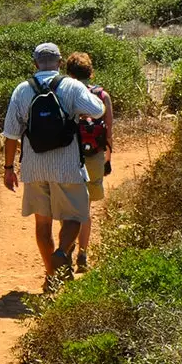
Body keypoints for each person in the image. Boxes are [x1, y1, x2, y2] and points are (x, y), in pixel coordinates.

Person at [2, 42, 105, 291]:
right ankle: (61, 252)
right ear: (59, 63)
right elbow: (98, 110)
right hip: (67, 165)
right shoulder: (71, 85)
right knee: (76, 216)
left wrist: (8, 168)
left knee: (42, 224)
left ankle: (51, 276)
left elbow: (11, 135)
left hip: (34, 167)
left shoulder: (22, 90)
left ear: (35, 63)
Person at [63, 52, 113, 273]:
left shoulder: (64, 94)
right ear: (90, 71)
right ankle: (83, 255)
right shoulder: (102, 95)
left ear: (69, 72)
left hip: (68, 157)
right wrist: (108, 158)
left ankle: (66, 251)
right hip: (93, 156)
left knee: (68, 209)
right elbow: (109, 132)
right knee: (85, 208)